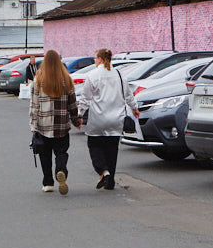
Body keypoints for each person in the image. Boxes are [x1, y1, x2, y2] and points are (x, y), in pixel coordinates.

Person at [78, 47, 138, 190]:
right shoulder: (120, 75)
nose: (94, 60)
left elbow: (85, 98)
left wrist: (79, 114)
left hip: (98, 118)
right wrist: (134, 108)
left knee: (94, 145)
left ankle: (103, 171)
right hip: (116, 119)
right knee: (112, 149)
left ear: (100, 59)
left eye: (95, 58)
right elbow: (128, 94)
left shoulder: (93, 75)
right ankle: (110, 182)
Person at [29, 50, 82, 193]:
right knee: (61, 152)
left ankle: (48, 183)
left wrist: (33, 124)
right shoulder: (66, 79)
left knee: (44, 154)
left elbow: (34, 105)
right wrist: (76, 121)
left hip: (43, 125)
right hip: (62, 124)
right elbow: (72, 104)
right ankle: (61, 170)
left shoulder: (38, 80)